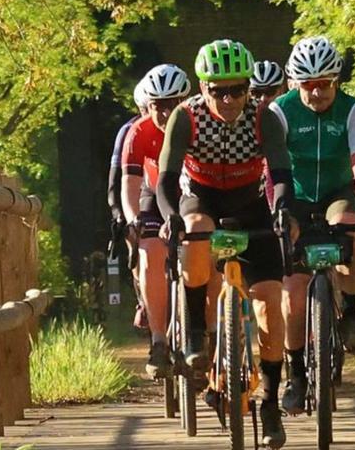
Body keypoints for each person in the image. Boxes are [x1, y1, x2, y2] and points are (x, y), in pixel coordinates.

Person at [157, 39, 294, 448]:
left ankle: (269, 400)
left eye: (239, 89)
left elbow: (283, 174)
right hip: (202, 195)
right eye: (219, 91)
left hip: (250, 203)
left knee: (270, 301)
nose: (230, 99)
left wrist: (283, 209)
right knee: (197, 227)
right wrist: (171, 217)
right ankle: (198, 330)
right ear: (203, 89)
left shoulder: (264, 117)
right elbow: (165, 180)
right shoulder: (185, 117)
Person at [268, 36, 355, 415]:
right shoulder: (280, 112)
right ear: (293, 83)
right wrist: (277, 211)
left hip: (338, 189)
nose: (317, 93)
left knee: (349, 227)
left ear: (337, 81)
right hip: (297, 195)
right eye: (308, 85)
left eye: (325, 84)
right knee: (293, 289)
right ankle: (296, 374)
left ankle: (351, 310)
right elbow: (270, 168)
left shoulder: (352, 110)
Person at [121, 64, 191, 378]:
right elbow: (129, 184)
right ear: (148, 106)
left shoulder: (197, 122)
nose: (164, 113)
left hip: (191, 193)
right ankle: (159, 341)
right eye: (157, 106)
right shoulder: (139, 131)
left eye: (172, 104)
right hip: (153, 194)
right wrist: (133, 219)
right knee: (150, 251)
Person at [108, 79, 151, 329]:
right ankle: (144, 299)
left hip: (170, 193)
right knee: (134, 236)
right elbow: (116, 179)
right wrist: (118, 215)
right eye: (146, 110)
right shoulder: (129, 131)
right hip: (137, 192)